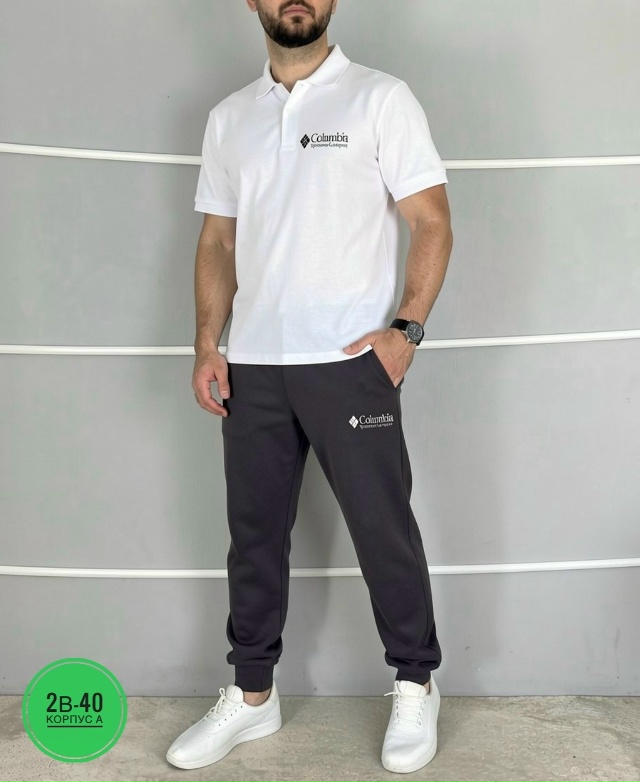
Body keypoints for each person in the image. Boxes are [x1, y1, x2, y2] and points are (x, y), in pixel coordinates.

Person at [166, 0, 453, 774]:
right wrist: (207, 343)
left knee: (382, 530)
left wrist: (406, 331)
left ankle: (416, 683)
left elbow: (431, 219)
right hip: (254, 366)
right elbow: (218, 238)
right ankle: (252, 694)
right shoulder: (230, 118)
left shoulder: (379, 98)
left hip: (350, 363)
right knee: (254, 538)